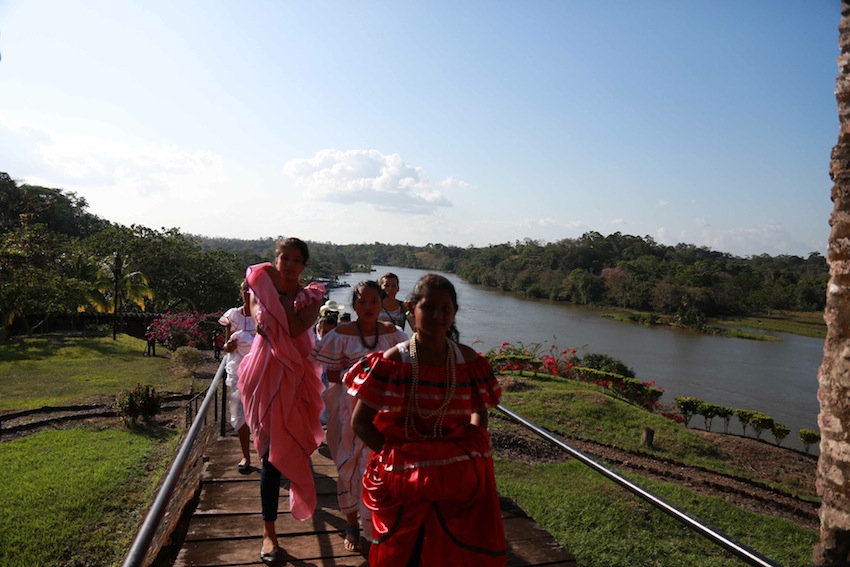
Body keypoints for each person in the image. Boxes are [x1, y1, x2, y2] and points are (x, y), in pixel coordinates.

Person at [345, 274, 507, 566]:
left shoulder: (468, 362)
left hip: (454, 481)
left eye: (445, 309)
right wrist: (395, 458)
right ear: (411, 308)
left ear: (454, 313)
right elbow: (360, 423)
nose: (437, 316)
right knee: (407, 554)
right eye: (428, 307)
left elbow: (479, 412)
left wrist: (470, 456)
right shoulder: (395, 362)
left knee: (451, 553)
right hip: (403, 481)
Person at [237, 237, 326, 563]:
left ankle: (278, 521)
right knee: (269, 457)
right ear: (275, 259)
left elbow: (290, 330)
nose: (288, 264)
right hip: (263, 375)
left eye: (296, 260)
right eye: (283, 258)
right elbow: (258, 319)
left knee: (293, 446)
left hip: (296, 378)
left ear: (303, 265)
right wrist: (264, 298)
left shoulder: (311, 297)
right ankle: (269, 533)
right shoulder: (261, 291)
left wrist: (274, 300)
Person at [311, 280, 408, 552]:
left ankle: (378, 524)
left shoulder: (395, 334)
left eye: (374, 302)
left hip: (384, 414)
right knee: (348, 465)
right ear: (354, 305)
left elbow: (406, 367)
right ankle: (352, 522)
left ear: (382, 304)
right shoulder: (341, 333)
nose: (368, 307)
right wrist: (357, 375)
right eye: (362, 302)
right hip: (348, 413)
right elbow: (329, 373)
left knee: (379, 465)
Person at [218, 280, 257, 472]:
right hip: (237, 370)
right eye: (246, 291)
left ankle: (267, 455)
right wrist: (229, 346)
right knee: (240, 412)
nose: (249, 295)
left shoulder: (263, 316)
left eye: (253, 291)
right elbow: (225, 345)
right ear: (241, 293)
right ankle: (245, 455)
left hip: (259, 370)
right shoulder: (233, 315)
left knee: (260, 413)